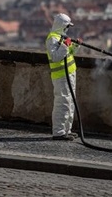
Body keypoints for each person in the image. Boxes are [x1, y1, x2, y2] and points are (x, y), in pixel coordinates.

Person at [45, 13, 81, 141]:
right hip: (61, 75)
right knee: (63, 103)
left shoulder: (61, 36)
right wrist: (65, 46)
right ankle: (59, 132)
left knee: (70, 102)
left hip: (69, 73)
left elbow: (69, 54)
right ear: (62, 26)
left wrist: (75, 46)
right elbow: (55, 57)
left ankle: (67, 130)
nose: (68, 29)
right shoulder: (52, 39)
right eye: (67, 26)